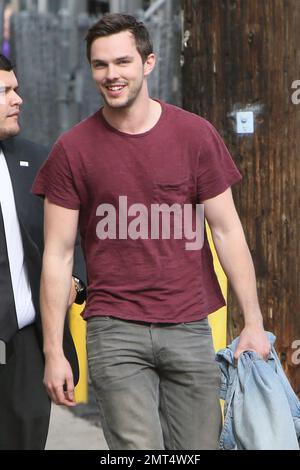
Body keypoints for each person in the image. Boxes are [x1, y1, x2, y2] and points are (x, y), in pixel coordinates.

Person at [32, 13, 271, 450]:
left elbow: (228, 232)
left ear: (148, 62)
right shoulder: (72, 149)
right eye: (100, 65)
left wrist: (252, 324)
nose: (111, 75)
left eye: (122, 62)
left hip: (188, 324)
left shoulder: (194, 136)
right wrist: (54, 351)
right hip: (113, 328)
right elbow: (57, 254)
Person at [0, 54, 85, 450]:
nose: (18, 99)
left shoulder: (37, 160)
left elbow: (70, 236)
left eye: (16, 89)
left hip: (24, 346)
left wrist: (75, 282)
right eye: (5, 91)